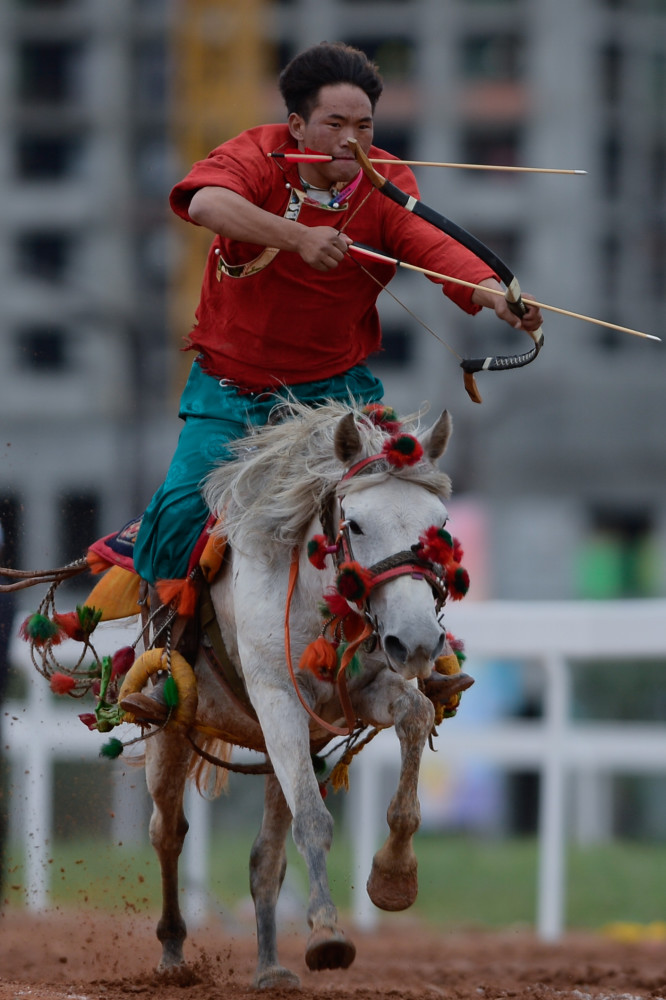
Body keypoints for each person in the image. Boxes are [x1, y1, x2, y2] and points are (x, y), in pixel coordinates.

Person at [133, 41, 542, 586]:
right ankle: (168, 649)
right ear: (298, 125)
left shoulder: (386, 181)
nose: (353, 140)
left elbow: (435, 248)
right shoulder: (259, 154)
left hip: (334, 394)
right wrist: (298, 237)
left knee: (402, 500)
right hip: (232, 392)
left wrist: (495, 292)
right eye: (335, 124)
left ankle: (424, 657)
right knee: (180, 518)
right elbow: (206, 203)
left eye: (365, 126)